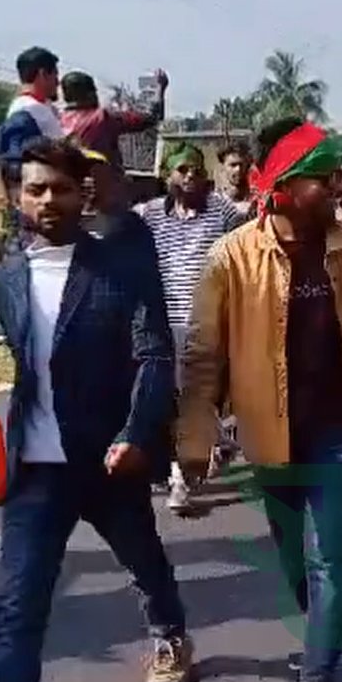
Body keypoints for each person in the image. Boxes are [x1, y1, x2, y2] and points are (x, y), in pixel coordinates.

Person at [178, 118, 342, 682]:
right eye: (321, 178)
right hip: (271, 433)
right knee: (294, 558)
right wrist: (194, 439)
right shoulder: (232, 257)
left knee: (328, 558)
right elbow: (204, 355)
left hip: (337, 431)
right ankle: (321, 634)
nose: (335, 187)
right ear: (284, 185)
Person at [0, 138, 191, 682]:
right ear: (18, 197)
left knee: (145, 562)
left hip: (109, 461)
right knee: (17, 609)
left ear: (84, 195)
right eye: (36, 189)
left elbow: (154, 355)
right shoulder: (7, 278)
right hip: (37, 468)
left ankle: (170, 635)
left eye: (61, 189)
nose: (48, 200)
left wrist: (136, 433)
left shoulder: (121, 269)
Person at [136, 144, 248, 512]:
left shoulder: (222, 212)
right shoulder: (150, 215)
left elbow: (244, 254)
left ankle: (196, 461)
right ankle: (182, 475)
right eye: (182, 170)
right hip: (165, 326)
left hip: (209, 324)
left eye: (196, 171)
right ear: (167, 175)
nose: (190, 177)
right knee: (175, 402)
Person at [59, 69, 167, 161]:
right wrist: (159, 89)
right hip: (103, 177)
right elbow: (151, 118)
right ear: (90, 94)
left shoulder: (57, 120)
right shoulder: (103, 118)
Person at [218, 143, 256, 219]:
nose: (238, 169)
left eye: (241, 164)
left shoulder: (257, 200)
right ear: (223, 167)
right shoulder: (216, 202)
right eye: (233, 165)